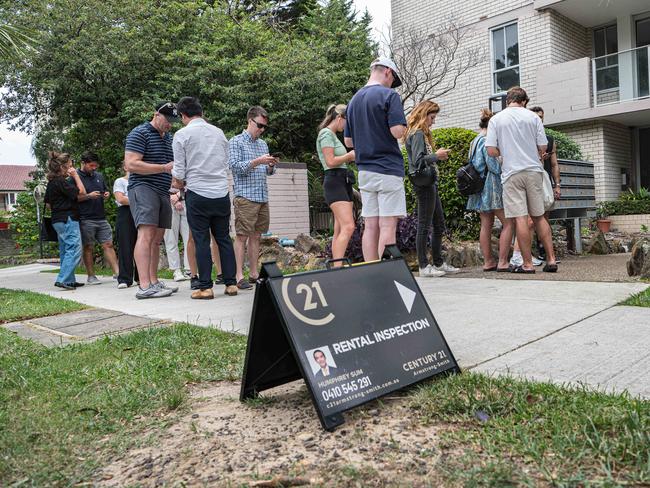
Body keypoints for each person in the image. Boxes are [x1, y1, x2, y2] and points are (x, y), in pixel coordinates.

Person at [485, 87, 558, 273]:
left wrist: (505, 154)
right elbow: (543, 146)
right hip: (534, 171)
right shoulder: (533, 117)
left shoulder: (496, 119)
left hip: (511, 173)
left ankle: (526, 264)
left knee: (520, 219)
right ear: (524, 101)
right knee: (539, 217)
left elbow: (491, 150)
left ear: (508, 100)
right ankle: (551, 260)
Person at [172, 96, 238, 298]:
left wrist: (178, 184)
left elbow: (179, 173)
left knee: (201, 240)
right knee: (223, 239)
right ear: (201, 112)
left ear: (183, 115)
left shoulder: (181, 135)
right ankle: (231, 284)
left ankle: (205, 287)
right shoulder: (219, 133)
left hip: (198, 193)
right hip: (220, 192)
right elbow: (225, 164)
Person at [344, 56, 407, 262]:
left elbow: (348, 142)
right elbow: (397, 131)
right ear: (387, 72)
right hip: (388, 168)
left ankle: (370, 268)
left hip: (365, 171)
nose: (392, 85)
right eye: (393, 79)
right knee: (388, 225)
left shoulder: (353, 100)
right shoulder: (389, 95)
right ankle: (385, 273)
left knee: (370, 225)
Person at [124, 101, 180, 299]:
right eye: (167, 120)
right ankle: (144, 285)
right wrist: (163, 168)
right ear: (156, 114)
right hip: (143, 188)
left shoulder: (169, 138)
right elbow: (131, 164)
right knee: (146, 235)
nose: (169, 124)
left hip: (163, 190)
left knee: (157, 240)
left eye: (173, 121)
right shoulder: (139, 133)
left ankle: (154, 282)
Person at [404, 100, 460, 277]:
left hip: (427, 184)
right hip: (425, 184)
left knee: (438, 224)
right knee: (425, 225)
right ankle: (424, 266)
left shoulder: (415, 133)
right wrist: (437, 156)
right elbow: (418, 162)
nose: (433, 121)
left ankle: (437, 262)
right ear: (424, 115)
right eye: (432, 117)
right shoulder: (418, 134)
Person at [228, 106, 277, 290]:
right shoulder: (236, 141)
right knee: (241, 236)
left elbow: (267, 172)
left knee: (256, 236)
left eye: (265, 127)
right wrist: (258, 161)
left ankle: (254, 274)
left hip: (262, 196)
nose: (262, 129)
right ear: (250, 121)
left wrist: (271, 166)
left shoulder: (263, 144)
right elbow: (235, 167)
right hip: (245, 197)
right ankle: (238, 275)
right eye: (259, 125)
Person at [466, 109, 514, 272]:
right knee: (509, 223)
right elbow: (493, 166)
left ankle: (488, 261)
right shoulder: (487, 139)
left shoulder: (474, 140)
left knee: (485, 224)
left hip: (479, 186)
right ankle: (502, 261)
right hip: (491, 185)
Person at [316, 104, 356, 265]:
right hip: (334, 180)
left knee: (340, 228)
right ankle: (338, 267)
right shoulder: (325, 134)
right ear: (339, 118)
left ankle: (336, 265)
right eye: (347, 121)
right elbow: (330, 161)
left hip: (343, 180)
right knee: (349, 226)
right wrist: (349, 156)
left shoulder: (332, 135)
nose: (347, 126)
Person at [44, 152, 85, 290]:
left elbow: (49, 204)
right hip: (68, 218)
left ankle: (69, 280)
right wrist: (76, 175)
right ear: (62, 167)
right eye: (69, 166)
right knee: (74, 248)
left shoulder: (51, 183)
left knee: (65, 249)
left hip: (57, 220)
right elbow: (82, 192)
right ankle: (62, 279)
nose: (71, 168)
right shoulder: (61, 182)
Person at [77, 151, 119, 285]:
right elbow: (73, 198)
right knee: (88, 247)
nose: (94, 168)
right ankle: (91, 276)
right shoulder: (75, 177)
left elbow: (104, 190)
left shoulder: (99, 176)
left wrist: (106, 194)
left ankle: (118, 273)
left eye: (96, 166)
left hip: (101, 217)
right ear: (83, 163)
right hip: (85, 218)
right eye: (91, 165)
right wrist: (88, 196)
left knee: (108, 244)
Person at [113, 163, 139, 289]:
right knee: (125, 245)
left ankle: (141, 277)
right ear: (125, 167)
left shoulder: (141, 181)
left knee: (141, 244)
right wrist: (139, 200)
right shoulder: (120, 181)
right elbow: (120, 199)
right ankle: (124, 278)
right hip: (125, 213)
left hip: (140, 213)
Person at [164, 189, 192, 282]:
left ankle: (189, 269)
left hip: (186, 200)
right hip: (168, 202)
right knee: (170, 238)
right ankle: (176, 270)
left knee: (190, 238)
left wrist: (179, 195)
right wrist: (171, 197)